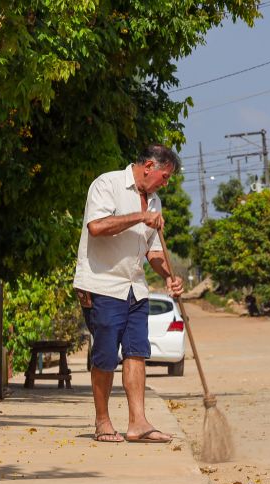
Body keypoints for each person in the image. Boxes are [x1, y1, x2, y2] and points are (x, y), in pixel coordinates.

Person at [73, 144, 184, 443]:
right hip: (102, 285)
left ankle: (139, 423)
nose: (165, 183)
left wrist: (170, 276)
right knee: (106, 355)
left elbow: (154, 252)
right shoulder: (107, 184)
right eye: (165, 176)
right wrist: (140, 216)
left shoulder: (155, 202)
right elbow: (96, 227)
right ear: (148, 167)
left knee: (137, 352)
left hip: (136, 288)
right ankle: (103, 421)